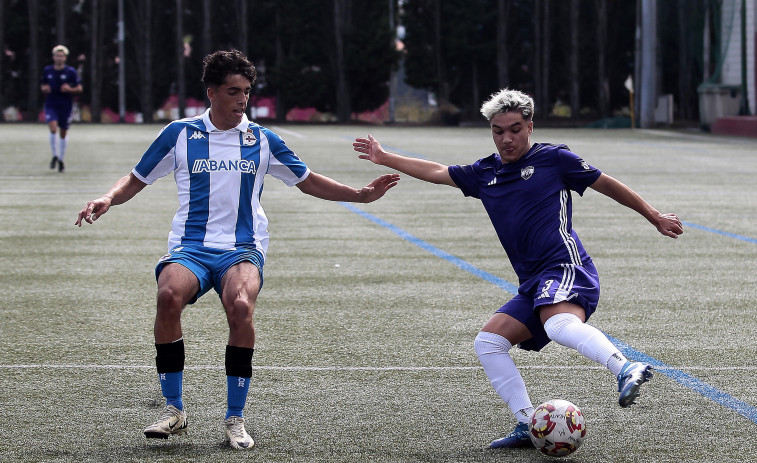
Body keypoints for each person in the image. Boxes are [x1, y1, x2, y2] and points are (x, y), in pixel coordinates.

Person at [75, 49, 399, 450]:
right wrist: (107, 198)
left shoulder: (262, 139)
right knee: (168, 295)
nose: (242, 100)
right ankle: (175, 410)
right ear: (211, 93)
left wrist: (360, 195)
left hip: (241, 248)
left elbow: (308, 180)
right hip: (191, 246)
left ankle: (235, 417)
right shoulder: (179, 134)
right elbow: (137, 177)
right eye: (233, 91)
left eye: (246, 91)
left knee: (241, 307)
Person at [353, 88, 683, 449]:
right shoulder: (485, 172)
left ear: (530, 126)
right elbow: (435, 170)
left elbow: (607, 184)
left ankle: (626, 367)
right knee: (489, 342)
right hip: (534, 283)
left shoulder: (554, 158)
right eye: (498, 131)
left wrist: (654, 216)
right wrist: (384, 157)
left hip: (566, 267)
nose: (506, 138)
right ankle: (527, 423)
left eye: (514, 129)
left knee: (558, 325)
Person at [40, 45, 83, 173]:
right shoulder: (47, 70)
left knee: (63, 132)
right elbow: (43, 85)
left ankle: (61, 159)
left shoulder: (70, 72)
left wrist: (69, 89)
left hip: (65, 105)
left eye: (61, 56)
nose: (59, 58)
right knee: (53, 128)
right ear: (53, 57)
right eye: (57, 55)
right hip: (51, 104)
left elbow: (79, 88)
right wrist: (44, 89)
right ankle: (54, 155)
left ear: (65, 58)